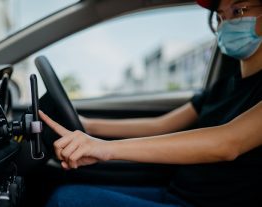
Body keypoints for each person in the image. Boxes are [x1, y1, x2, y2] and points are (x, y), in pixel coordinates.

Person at [39, 0, 262, 206]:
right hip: (177, 193)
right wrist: (88, 126)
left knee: (66, 200)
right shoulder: (223, 87)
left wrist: (105, 148)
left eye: (238, 11)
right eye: (220, 17)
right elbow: (161, 125)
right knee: (65, 192)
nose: (225, 25)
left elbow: (227, 143)